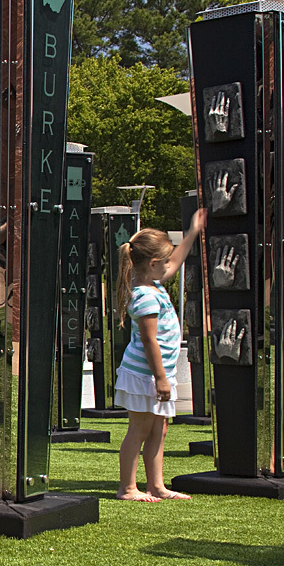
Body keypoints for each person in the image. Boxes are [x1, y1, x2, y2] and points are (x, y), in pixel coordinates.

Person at [114, 207, 206, 502]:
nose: (169, 266)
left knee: (159, 429)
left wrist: (193, 232)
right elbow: (149, 340)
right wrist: (161, 378)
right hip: (146, 376)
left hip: (155, 375)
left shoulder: (151, 282)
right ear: (152, 264)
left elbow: (175, 261)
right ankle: (128, 488)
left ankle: (156, 485)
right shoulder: (145, 296)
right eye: (163, 262)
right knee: (139, 430)